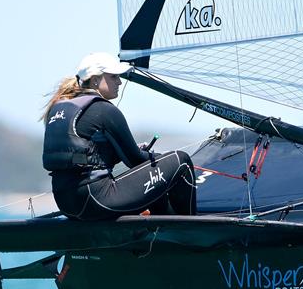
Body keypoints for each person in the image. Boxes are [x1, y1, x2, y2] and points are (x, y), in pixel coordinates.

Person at [41, 52, 196, 220]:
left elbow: (88, 157)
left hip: (67, 204)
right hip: (96, 198)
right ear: (95, 80)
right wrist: (160, 158)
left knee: (155, 179)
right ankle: (187, 233)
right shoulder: (103, 110)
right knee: (181, 161)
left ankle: (157, 233)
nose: (120, 82)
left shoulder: (60, 109)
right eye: (114, 77)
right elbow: (135, 160)